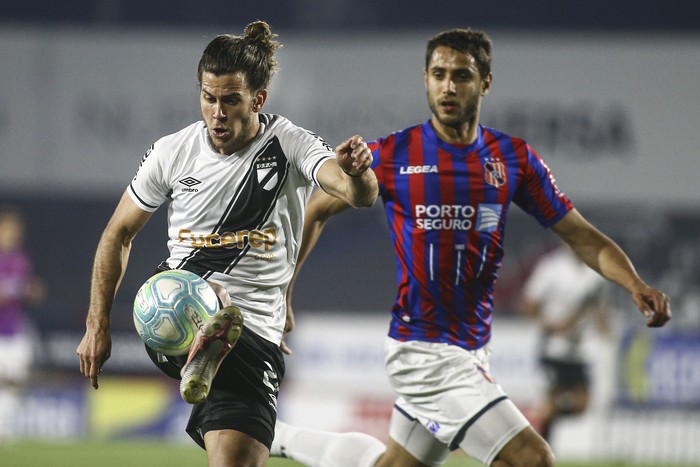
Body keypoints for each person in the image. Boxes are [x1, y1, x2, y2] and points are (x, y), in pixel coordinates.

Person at [272, 28, 671, 467]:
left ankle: (277, 435)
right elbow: (314, 211)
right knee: (532, 459)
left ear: (485, 82)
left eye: (461, 75)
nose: (448, 86)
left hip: (471, 347)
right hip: (424, 350)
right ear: (425, 78)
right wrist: (284, 292)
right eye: (439, 74)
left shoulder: (512, 159)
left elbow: (580, 235)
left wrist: (634, 284)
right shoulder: (395, 154)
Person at [76, 21, 378, 467]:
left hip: (256, 332)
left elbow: (358, 195)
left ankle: (269, 420)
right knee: (211, 293)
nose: (217, 113)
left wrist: (357, 172)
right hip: (171, 312)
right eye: (208, 98)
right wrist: (96, 323)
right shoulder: (171, 152)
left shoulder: (289, 144)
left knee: (236, 457)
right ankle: (207, 331)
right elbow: (117, 233)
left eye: (231, 101)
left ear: (258, 99)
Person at [519, 245, 611, 442]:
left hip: (581, 350)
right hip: (553, 348)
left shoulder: (595, 272)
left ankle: (539, 418)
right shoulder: (552, 267)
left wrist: (603, 326)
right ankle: (544, 449)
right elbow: (528, 302)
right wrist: (550, 325)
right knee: (552, 398)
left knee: (581, 405)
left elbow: (598, 306)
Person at [0, 207, 45, 440]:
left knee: (15, 380)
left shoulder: (20, 260)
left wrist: (31, 290)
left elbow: (31, 290)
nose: (12, 235)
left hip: (14, 329)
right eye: (8, 230)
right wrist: (18, 289)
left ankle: (4, 430)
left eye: (16, 231)